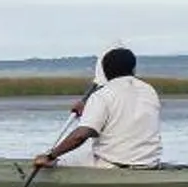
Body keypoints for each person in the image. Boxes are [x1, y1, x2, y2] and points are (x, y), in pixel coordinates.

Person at [33, 47, 165, 170]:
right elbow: (124, 112)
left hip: (112, 165)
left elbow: (81, 135)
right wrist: (88, 109)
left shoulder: (102, 95)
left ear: (105, 72)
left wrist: (51, 156)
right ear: (133, 69)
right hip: (149, 163)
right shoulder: (149, 90)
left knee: (59, 161)